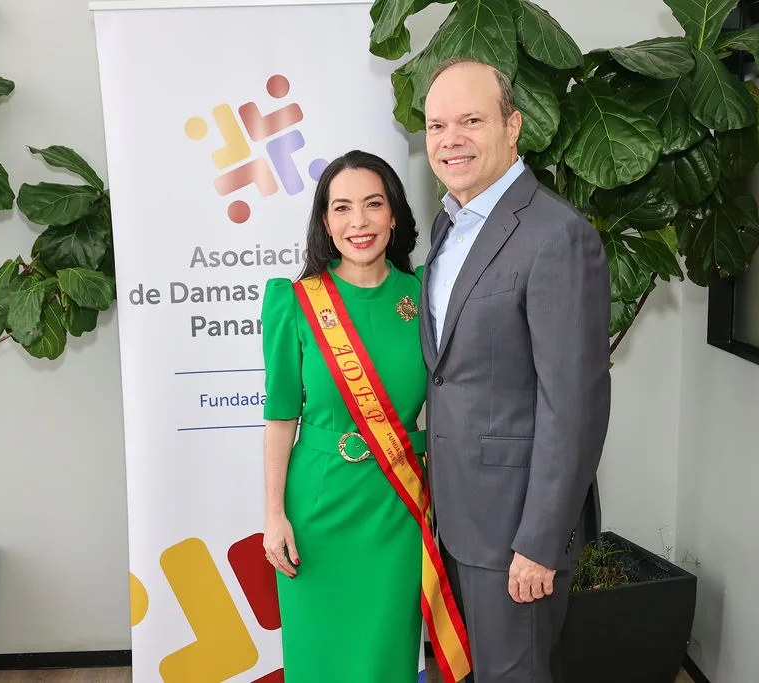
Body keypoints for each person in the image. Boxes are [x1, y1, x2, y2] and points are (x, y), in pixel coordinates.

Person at [420, 57, 612, 683]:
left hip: (515, 534)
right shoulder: (449, 224)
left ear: (513, 126)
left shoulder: (558, 235)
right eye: (437, 125)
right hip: (456, 518)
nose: (451, 139)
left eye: (471, 121)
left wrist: (539, 540)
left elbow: (573, 406)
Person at [260, 150, 427, 682]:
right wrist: (273, 514)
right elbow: (281, 417)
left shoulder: (426, 297)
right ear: (325, 222)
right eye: (342, 208)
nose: (359, 221)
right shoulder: (294, 302)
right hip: (316, 509)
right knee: (320, 660)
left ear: (394, 215)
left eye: (373, 204)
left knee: (386, 655)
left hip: (396, 505)